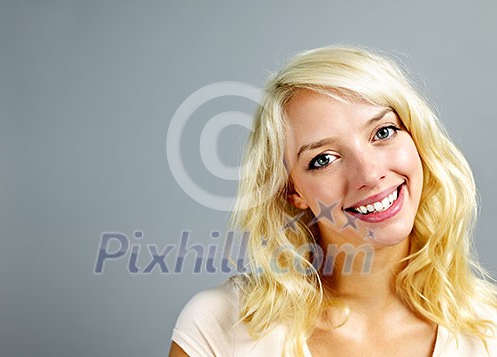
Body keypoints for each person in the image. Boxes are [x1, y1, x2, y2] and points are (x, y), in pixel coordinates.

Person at [168, 45, 497, 356]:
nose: (368, 174)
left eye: (382, 132)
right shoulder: (221, 325)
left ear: (416, 137)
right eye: (323, 159)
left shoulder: (489, 327)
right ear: (292, 192)